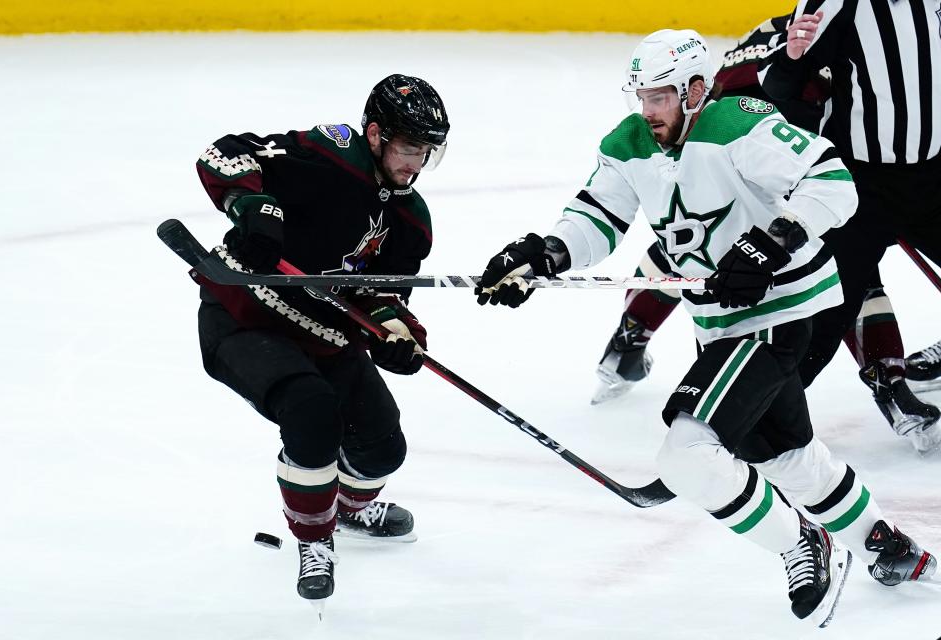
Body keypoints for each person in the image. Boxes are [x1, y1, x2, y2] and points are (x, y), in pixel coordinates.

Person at [475, 29, 936, 625]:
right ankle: (885, 543)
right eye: (641, 97)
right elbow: (597, 217)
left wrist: (769, 245)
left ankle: (801, 541)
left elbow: (832, 183)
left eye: (661, 97)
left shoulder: (737, 124)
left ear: (695, 90)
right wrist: (544, 254)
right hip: (720, 324)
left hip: (777, 315)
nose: (649, 110)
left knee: (687, 454)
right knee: (785, 455)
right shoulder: (630, 142)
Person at [592, 15, 940, 453]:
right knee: (702, 247)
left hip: (784, 170)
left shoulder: (798, 34)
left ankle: (629, 338)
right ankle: (891, 387)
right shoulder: (808, 50)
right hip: (752, 170)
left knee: (689, 245)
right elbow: (749, 111)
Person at [192, 74, 449, 609]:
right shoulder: (328, 154)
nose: (415, 164)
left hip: (326, 335)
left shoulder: (411, 219)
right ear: (375, 135)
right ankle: (315, 539)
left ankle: (350, 507)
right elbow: (225, 154)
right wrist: (252, 208)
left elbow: (382, 296)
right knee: (311, 413)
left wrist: (395, 334)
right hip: (247, 318)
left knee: (382, 448)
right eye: (407, 148)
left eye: (426, 152)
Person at [759, 1, 941, 453]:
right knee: (822, 316)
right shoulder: (837, 3)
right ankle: (758, 417)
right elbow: (778, 86)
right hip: (860, 188)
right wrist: (792, 57)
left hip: (935, 182)